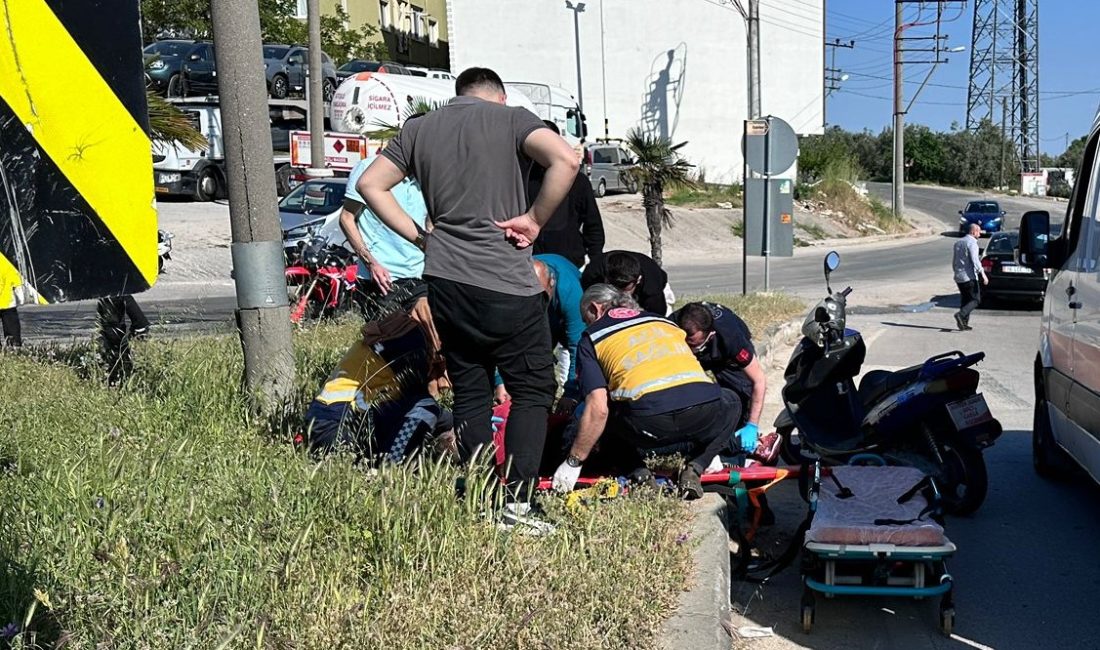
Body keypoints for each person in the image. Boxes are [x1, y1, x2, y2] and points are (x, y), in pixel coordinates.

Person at [356, 67, 580, 514]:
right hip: (505, 282)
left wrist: (422, 238)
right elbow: (567, 159)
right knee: (533, 388)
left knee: (472, 387)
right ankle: (517, 506)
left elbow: (370, 185)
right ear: (497, 97)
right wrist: (535, 219)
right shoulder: (512, 119)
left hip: (445, 282)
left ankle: (481, 495)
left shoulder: (419, 129)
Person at [552, 284, 739, 499]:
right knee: (733, 401)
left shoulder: (593, 337)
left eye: (586, 318)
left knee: (603, 415)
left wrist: (573, 462)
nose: (587, 324)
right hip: (702, 413)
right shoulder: (664, 322)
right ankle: (695, 467)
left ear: (595, 309)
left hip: (648, 422)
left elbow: (598, 409)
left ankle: (639, 474)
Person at [302, 305, 452, 462]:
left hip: (324, 421)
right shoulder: (413, 343)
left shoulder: (398, 332)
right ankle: (391, 464)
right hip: (341, 428)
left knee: (424, 408)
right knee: (426, 407)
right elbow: (421, 403)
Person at [339, 149, 431, 320]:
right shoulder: (369, 168)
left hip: (419, 275)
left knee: (427, 339)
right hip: (383, 279)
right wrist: (371, 263)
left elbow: (428, 223)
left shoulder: (426, 176)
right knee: (384, 342)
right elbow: (346, 218)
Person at [672, 302, 766, 454]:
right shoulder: (672, 325)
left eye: (694, 346)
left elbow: (759, 380)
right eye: (686, 345)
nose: (690, 350)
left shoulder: (731, 337)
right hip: (682, 358)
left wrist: (752, 424)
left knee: (741, 397)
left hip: (725, 359)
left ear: (710, 335)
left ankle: (735, 451)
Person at [494, 253, 586, 409]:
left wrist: (571, 394)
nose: (537, 304)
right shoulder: (510, 284)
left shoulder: (571, 292)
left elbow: (578, 347)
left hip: (560, 314)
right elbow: (501, 336)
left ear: (551, 283)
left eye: (541, 298)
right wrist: (499, 381)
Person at [529, 122, 605, 268]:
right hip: (530, 263)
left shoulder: (578, 181)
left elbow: (593, 224)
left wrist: (596, 262)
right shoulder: (521, 177)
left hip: (568, 262)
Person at [581, 250, 672, 315]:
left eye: (625, 289)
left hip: (652, 288)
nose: (621, 294)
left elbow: (657, 316)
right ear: (606, 280)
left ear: (638, 280)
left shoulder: (652, 286)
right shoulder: (593, 275)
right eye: (616, 288)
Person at [953, 223, 987, 331]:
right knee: (976, 300)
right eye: (979, 231)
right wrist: (983, 274)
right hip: (969, 277)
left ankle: (963, 323)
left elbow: (955, 261)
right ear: (973, 232)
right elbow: (975, 260)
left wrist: (956, 271)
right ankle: (960, 315)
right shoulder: (972, 243)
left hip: (959, 276)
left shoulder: (958, 243)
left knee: (965, 300)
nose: (980, 234)